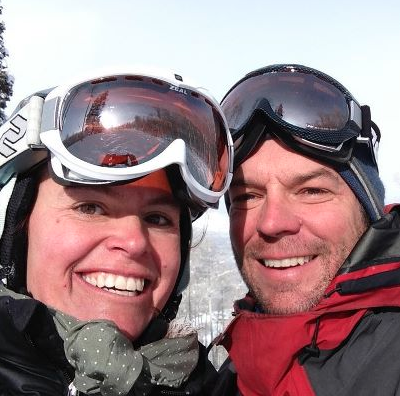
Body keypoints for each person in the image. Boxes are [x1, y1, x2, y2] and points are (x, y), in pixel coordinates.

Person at [0, 70, 234, 395]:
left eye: (157, 218)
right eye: (90, 208)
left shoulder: (215, 385)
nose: (134, 242)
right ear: (21, 229)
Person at [213, 64, 400, 396]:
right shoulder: (236, 367)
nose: (272, 223)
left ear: (367, 207)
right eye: (248, 196)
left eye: (312, 191)